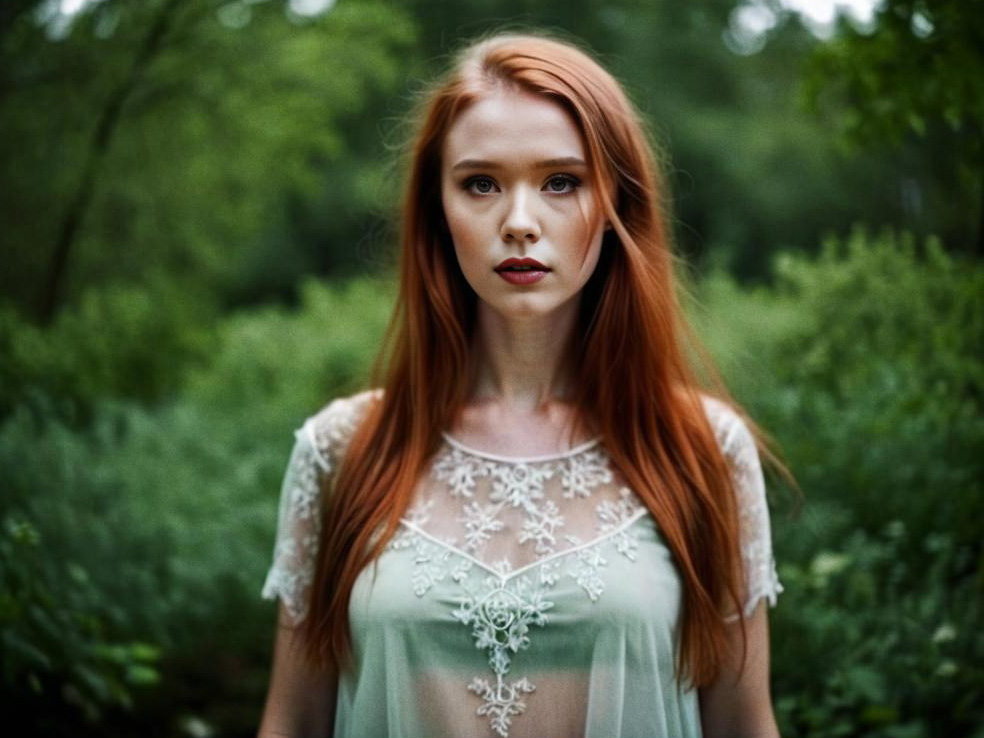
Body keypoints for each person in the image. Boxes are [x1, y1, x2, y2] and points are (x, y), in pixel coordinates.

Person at [257, 30, 790, 738]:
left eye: (561, 182)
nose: (518, 223)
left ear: (614, 204)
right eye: (480, 183)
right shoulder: (341, 450)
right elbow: (292, 722)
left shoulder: (704, 451)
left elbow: (744, 726)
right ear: (437, 211)